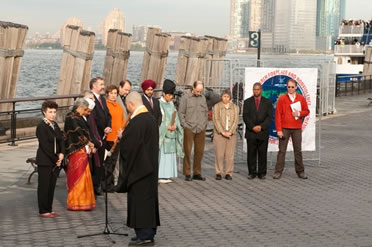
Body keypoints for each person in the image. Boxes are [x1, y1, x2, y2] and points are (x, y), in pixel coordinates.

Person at [117, 92, 160, 246]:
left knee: (140, 202)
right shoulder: (150, 118)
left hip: (140, 169)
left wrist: (122, 138)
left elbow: (131, 146)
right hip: (150, 166)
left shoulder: (138, 121)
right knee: (148, 200)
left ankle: (144, 234)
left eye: (127, 106)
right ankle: (147, 232)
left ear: (131, 104)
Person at [273, 79, 310, 179]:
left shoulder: (301, 98)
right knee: (282, 151)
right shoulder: (282, 99)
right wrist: (279, 130)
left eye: (292, 87)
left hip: (297, 128)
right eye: (288, 87)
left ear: (296, 87)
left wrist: (299, 113)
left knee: (298, 150)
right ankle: (278, 171)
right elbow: (278, 115)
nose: (290, 89)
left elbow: (307, 111)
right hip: (285, 128)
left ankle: (300, 171)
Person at [64, 98, 96, 210]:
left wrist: (89, 143)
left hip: (82, 149)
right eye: (86, 109)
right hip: (75, 149)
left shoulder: (77, 117)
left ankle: (85, 201)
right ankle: (76, 202)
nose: (86, 112)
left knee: (84, 174)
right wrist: (89, 143)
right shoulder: (71, 118)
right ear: (80, 107)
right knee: (77, 174)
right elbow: (77, 132)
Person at [36, 100, 64, 218]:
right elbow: (45, 146)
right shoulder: (41, 127)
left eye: (54, 112)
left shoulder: (55, 124)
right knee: (44, 185)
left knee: (51, 185)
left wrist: (62, 153)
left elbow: (61, 139)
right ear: (44, 112)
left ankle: (49, 208)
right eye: (50, 112)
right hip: (45, 160)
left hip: (55, 159)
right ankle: (43, 210)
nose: (53, 114)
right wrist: (55, 159)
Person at [178, 80, 209, 181]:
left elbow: (205, 112)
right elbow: (181, 113)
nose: (199, 93)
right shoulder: (185, 98)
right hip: (189, 127)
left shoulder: (203, 98)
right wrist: (185, 125)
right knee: (187, 151)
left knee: (199, 151)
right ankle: (187, 172)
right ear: (193, 88)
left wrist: (204, 124)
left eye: (200, 91)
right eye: (197, 91)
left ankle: (197, 172)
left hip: (201, 127)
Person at [243, 83, 273, 179]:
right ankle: (252, 172)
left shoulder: (267, 102)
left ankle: (262, 172)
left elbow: (269, 117)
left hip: (263, 132)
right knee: (251, 153)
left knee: (262, 153)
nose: (256, 91)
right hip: (251, 132)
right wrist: (252, 127)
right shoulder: (247, 102)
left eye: (258, 89)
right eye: (254, 89)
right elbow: (245, 116)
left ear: (261, 90)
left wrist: (261, 126)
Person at [158, 79, 184, 184]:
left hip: (172, 132)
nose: (170, 97)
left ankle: (168, 174)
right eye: (168, 95)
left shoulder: (171, 104)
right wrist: (167, 127)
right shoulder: (159, 104)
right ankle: (161, 174)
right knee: (163, 154)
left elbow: (176, 117)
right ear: (163, 94)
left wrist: (176, 126)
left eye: (171, 96)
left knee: (171, 153)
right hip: (164, 134)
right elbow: (161, 119)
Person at [90, 77, 112, 195]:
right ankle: (93, 186)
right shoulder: (91, 99)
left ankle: (97, 185)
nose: (103, 87)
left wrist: (108, 126)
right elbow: (93, 118)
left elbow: (108, 115)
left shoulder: (102, 99)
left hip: (104, 135)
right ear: (94, 86)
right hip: (96, 135)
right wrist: (101, 129)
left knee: (100, 162)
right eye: (101, 84)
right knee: (94, 162)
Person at [212, 89, 239, 180]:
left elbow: (236, 120)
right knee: (219, 155)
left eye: (228, 97)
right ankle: (219, 172)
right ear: (221, 97)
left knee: (229, 155)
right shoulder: (217, 106)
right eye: (224, 96)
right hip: (220, 134)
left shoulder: (234, 107)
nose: (226, 98)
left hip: (231, 134)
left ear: (230, 97)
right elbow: (216, 120)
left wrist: (230, 131)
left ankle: (228, 173)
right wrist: (222, 132)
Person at [103, 85, 124, 192]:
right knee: (108, 162)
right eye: (111, 93)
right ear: (107, 94)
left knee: (114, 162)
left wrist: (121, 133)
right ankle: (106, 185)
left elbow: (121, 121)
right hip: (109, 138)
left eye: (115, 93)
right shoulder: (105, 106)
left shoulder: (119, 106)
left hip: (117, 138)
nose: (113, 95)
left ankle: (111, 183)